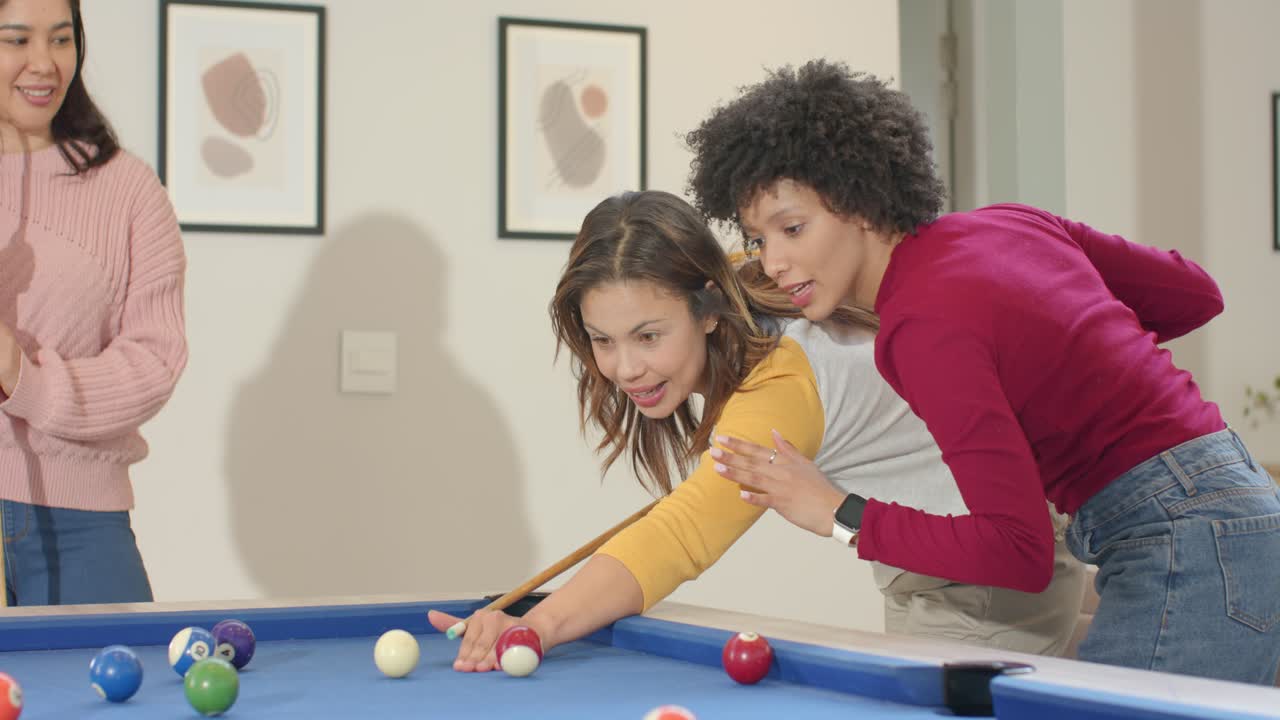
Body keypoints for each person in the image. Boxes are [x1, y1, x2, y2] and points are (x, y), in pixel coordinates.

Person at [685, 59, 1280, 685]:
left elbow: (1018, 552)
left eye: (793, 228)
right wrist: (1065, 355)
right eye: (757, 239)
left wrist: (837, 511)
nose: (773, 261)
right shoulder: (1009, 223)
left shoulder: (920, 326)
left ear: (858, 202)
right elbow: (1195, 295)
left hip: (1181, 537)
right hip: (1236, 501)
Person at [428, 190, 1085, 671]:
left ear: (707, 311)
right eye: (603, 340)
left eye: (649, 336)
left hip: (986, 584)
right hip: (950, 567)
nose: (625, 367)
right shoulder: (746, 281)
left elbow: (683, 534)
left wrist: (534, 627)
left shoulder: (779, 386)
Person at [0, 0, 187, 605]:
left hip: (81, 523)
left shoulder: (128, 190)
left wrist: (24, 378)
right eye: (16, 39)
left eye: (60, 39)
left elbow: (155, 361)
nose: (43, 64)